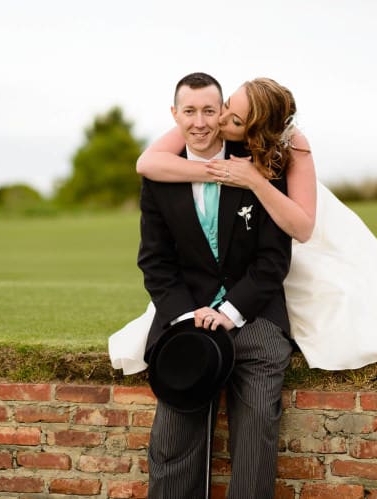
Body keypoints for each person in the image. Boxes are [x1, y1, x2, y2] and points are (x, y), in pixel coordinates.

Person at [109, 77, 377, 373]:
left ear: (253, 131)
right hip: (256, 229)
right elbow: (147, 163)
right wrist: (221, 172)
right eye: (226, 107)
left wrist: (253, 180)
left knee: (339, 304)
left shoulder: (294, 143)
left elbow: (303, 229)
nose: (218, 121)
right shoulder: (208, 116)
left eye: (233, 120)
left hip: (298, 226)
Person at [137, 72, 292, 498]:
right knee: (172, 441)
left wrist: (228, 312)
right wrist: (189, 319)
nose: (200, 122)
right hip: (186, 318)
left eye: (209, 110)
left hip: (255, 317)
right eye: (189, 111)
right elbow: (155, 262)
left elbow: (273, 260)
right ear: (175, 114)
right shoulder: (158, 178)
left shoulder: (258, 163)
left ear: (223, 112)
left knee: (257, 430)